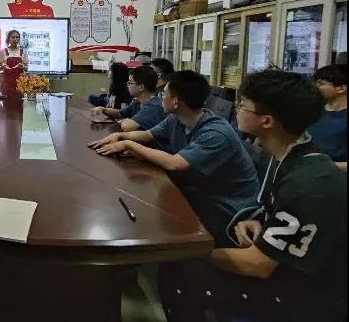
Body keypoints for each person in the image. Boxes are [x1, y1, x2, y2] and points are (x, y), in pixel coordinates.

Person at [160, 70, 347, 321]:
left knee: (182, 268)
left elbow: (257, 264)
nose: (237, 109)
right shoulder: (286, 155)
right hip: (284, 269)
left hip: (308, 296)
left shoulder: (309, 184)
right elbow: (276, 213)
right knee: (177, 268)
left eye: (243, 104)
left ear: (267, 121)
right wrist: (258, 221)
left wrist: (191, 252)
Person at [89, 71, 258, 245]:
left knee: (153, 222)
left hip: (225, 209)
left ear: (176, 101)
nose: (160, 97)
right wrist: (118, 136)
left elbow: (174, 163)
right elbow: (146, 135)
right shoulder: (176, 119)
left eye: (164, 94)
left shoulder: (216, 133)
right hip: (199, 190)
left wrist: (129, 144)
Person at [308, 64, 347, 171]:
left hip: (336, 177)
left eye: (321, 83)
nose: (315, 87)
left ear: (341, 89)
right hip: (308, 172)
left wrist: (328, 166)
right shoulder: (314, 111)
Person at [117, 65, 167, 132]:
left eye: (130, 83)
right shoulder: (137, 102)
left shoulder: (154, 106)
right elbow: (120, 113)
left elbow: (127, 127)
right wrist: (104, 110)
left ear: (141, 87)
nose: (128, 85)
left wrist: (123, 121)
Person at [0, 29, 28, 96]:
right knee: (6, 101)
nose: (15, 39)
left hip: (20, 84)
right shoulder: (3, 51)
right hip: (7, 84)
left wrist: (22, 66)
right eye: (13, 37)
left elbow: (26, 69)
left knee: (19, 101)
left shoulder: (23, 51)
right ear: (8, 39)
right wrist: (3, 66)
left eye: (17, 37)